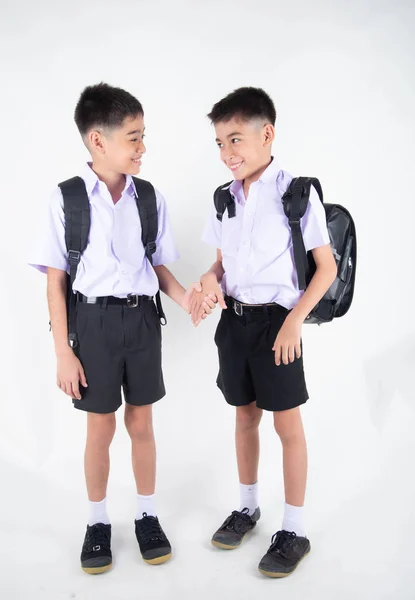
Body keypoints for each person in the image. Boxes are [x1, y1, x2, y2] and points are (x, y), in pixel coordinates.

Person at [29, 83, 204, 574]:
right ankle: (97, 521)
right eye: (134, 137)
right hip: (93, 321)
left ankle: (147, 516)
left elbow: (157, 266)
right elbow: (55, 281)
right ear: (97, 141)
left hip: (143, 320)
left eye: (143, 135)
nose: (143, 147)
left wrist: (187, 297)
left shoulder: (147, 197)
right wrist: (64, 351)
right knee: (100, 425)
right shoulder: (66, 199)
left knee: (142, 422)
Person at [191, 87, 337, 578]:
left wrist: (295, 319)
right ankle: (249, 508)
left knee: (286, 426)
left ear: (266, 133)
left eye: (235, 139)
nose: (226, 153)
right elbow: (219, 267)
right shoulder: (224, 199)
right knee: (245, 417)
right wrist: (209, 283)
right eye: (218, 144)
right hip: (235, 322)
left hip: (279, 324)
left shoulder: (296, 193)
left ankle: (293, 529)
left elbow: (326, 267)